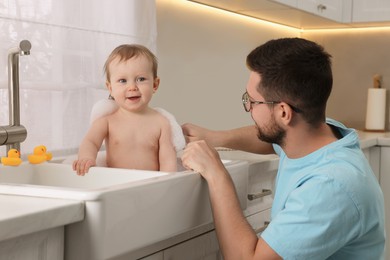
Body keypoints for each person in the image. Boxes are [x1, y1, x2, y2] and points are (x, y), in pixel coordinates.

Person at [181, 38, 385, 259]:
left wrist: (217, 174)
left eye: (252, 101)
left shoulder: (329, 187)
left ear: (283, 113)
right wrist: (215, 137)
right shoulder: (317, 133)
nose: (248, 107)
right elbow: (272, 137)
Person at [73, 44, 177, 175]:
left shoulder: (161, 123)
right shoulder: (107, 122)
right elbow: (90, 142)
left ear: (155, 85)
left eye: (141, 79)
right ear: (110, 88)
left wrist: (168, 184)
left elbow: (167, 160)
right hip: (117, 185)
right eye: (122, 80)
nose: (132, 87)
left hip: (150, 186)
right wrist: (86, 158)